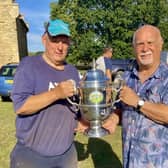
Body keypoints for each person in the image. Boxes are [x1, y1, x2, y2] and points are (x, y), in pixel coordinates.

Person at [10, 19, 81, 168]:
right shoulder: (29, 65)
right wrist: (56, 93)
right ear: (44, 40)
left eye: (65, 42)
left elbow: (76, 107)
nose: (60, 47)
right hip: (32, 157)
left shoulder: (72, 71)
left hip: (66, 154)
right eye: (55, 41)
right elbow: (21, 106)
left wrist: (83, 120)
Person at [103, 24, 168, 168]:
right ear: (134, 48)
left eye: (150, 43)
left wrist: (138, 102)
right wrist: (114, 118)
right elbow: (121, 106)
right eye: (140, 44)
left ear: (160, 45)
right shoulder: (127, 76)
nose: (145, 49)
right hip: (129, 160)